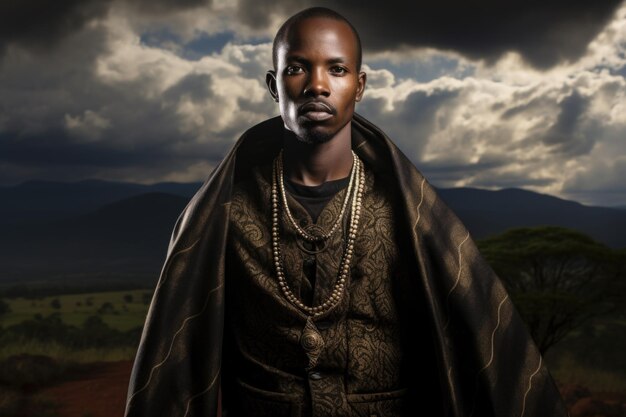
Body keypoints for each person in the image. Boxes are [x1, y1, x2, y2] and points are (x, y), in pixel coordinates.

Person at [124, 6, 569, 417]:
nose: (317, 85)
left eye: (336, 69)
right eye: (297, 68)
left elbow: (477, 343)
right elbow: (177, 358)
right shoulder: (223, 214)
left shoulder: (407, 214)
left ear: (359, 85)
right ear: (273, 85)